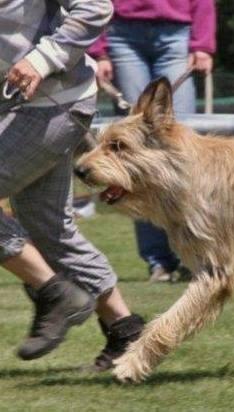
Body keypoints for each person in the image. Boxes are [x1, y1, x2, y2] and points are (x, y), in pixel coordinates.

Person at [0, 0, 144, 371]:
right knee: (50, 229)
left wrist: (40, 59)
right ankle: (126, 331)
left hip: (51, 104)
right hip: (21, 109)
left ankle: (55, 293)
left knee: (49, 229)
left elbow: (94, 6)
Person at [88, 0, 217, 282]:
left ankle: (194, 255)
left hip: (176, 32)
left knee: (178, 145)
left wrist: (203, 44)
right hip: (121, 33)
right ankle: (159, 261)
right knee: (133, 160)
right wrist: (98, 52)